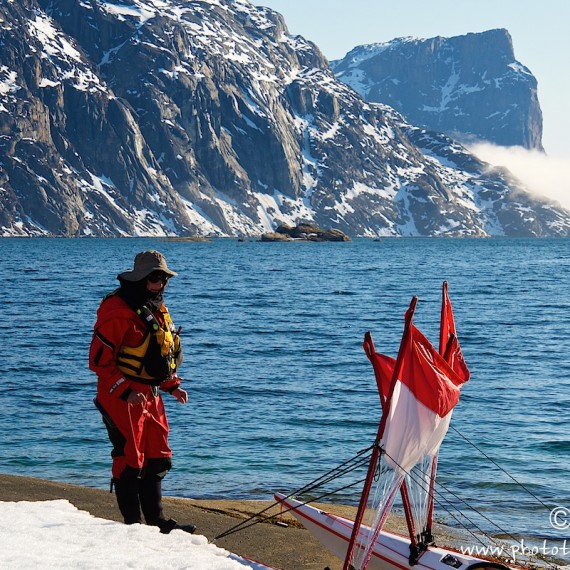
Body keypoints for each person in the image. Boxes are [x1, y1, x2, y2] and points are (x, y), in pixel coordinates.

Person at [89, 250, 195, 534]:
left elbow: (159, 354)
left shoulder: (156, 308)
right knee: (130, 458)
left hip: (150, 394)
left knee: (158, 455)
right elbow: (99, 363)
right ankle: (133, 528)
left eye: (163, 278)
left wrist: (172, 385)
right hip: (121, 396)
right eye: (153, 278)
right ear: (140, 279)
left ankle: (158, 523)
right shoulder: (117, 312)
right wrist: (124, 391)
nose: (159, 284)